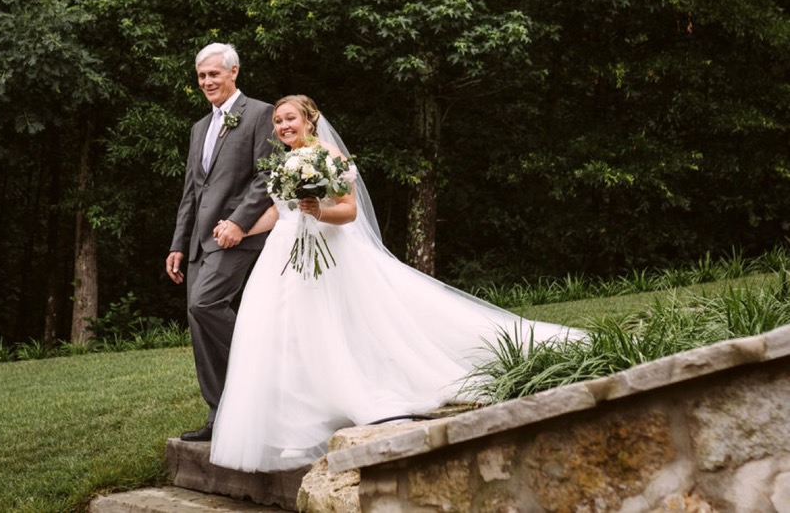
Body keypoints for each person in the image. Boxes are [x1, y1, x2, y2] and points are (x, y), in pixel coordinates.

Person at [208, 95, 583, 472]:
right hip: (283, 256)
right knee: (281, 336)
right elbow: (279, 211)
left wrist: (319, 210)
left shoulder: (329, 157)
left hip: (326, 256)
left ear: (309, 119)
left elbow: (349, 211)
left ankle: (333, 403)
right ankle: (294, 421)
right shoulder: (286, 162)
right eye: (277, 121)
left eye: (289, 119)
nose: (283, 126)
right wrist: (240, 231)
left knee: (324, 329)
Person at [166, 43, 275, 442]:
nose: (207, 81)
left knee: (205, 304)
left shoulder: (260, 114)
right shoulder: (199, 128)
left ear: (234, 72)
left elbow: (267, 177)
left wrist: (239, 223)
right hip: (198, 243)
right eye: (201, 76)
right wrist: (178, 244)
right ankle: (220, 415)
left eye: (214, 74)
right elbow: (192, 192)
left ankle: (263, 372)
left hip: (235, 237)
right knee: (199, 325)